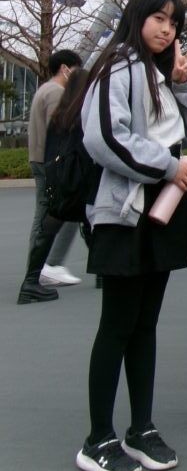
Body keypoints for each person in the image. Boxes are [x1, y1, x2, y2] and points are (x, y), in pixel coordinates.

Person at [74, 0, 187, 471]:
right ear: (137, 17)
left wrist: (184, 84)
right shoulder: (117, 66)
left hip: (162, 207)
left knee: (145, 323)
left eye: (174, 23)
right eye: (159, 18)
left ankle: (141, 427)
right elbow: (105, 137)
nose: (167, 30)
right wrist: (169, 167)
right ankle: (98, 438)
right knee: (117, 324)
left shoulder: (160, 72)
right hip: (125, 211)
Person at [17, 48, 83, 304]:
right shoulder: (56, 93)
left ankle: (40, 269)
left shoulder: (44, 89)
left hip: (39, 159)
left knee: (49, 214)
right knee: (48, 215)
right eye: (76, 69)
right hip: (50, 163)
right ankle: (39, 270)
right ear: (65, 68)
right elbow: (60, 130)